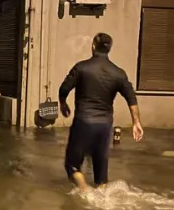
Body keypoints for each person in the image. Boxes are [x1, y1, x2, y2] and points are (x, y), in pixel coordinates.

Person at [58, 33, 144, 191]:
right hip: (105, 126)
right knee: (101, 175)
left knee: (72, 167)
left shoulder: (82, 67)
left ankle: (85, 192)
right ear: (109, 49)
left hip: (84, 121)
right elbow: (131, 98)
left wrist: (63, 103)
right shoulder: (118, 73)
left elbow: (64, 88)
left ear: (93, 46)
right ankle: (102, 200)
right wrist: (136, 122)